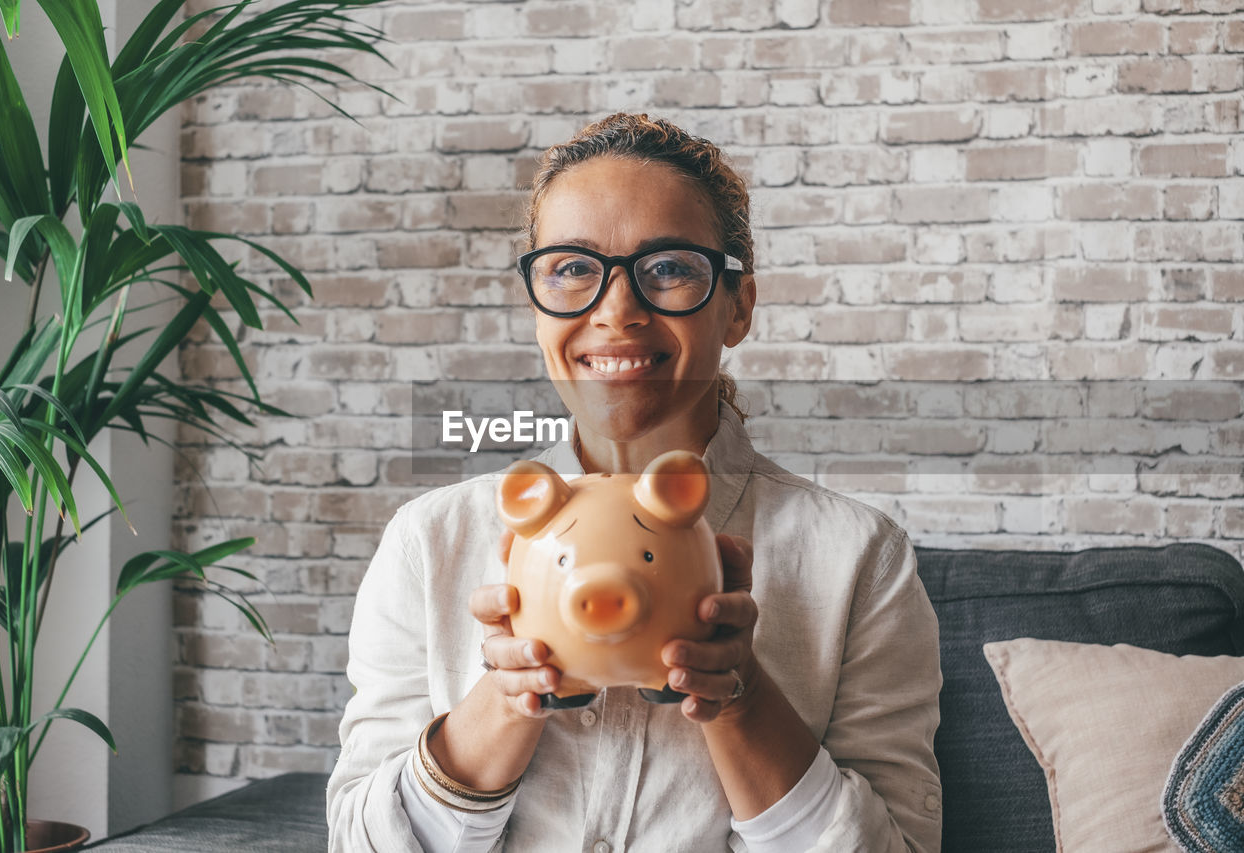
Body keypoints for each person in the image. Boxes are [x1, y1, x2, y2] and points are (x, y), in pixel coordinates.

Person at [327, 113, 942, 852]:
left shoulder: (859, 557)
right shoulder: (431, 542)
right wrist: (505, 697)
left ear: (737, 305)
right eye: (572, 269)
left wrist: (740, 696)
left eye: (670, 268)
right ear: (536, 305)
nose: (616, 311)